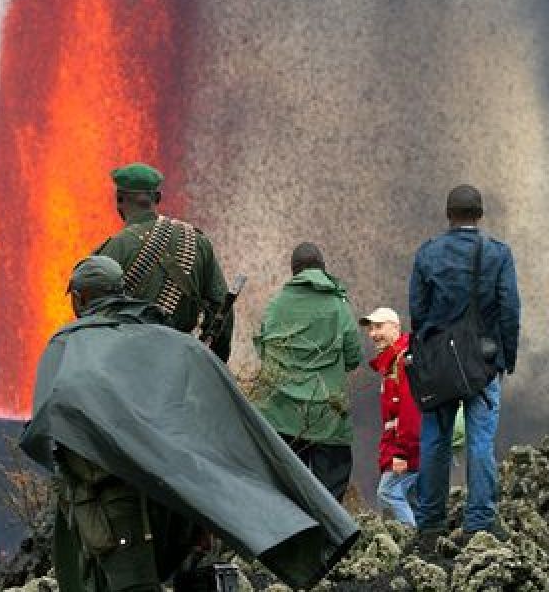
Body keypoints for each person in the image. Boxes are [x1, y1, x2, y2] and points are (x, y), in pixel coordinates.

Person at [22, 256, 360, 591]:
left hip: (112, 503)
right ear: (120, 291)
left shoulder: (67, 346)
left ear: (80, 298)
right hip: (177, 497)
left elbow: (52, 420)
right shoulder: (172, 343)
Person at [408, 184, 520, 544]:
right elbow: (509, 310)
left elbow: (417, 311)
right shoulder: (497, 254)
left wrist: (432, 348)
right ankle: (479, 523)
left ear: (448, 214)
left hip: (439, 364)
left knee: (435, 441)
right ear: (480, 214)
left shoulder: (427, 254)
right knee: (480, 442)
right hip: (483, 364)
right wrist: (507, 358)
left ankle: (429, 525)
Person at [254, 242, 362, 501]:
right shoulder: (338, 305)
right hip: (327, 414)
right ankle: (328, 540)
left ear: (294, 272)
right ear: (323, 270)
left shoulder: (276, 305)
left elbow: (261, 344)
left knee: (291, 492)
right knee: (330, 491)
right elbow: (354, 355)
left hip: (282, 414)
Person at [93, 162, 234, 360]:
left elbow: (91, 318)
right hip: (181, 360)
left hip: (126, 362)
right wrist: (214, 363)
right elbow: (221, 311)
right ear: (157, 198)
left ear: (119, 200)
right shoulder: (197, 242)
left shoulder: (110, 251)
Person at [360, 306, 421, 526]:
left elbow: (410, 411)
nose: (373, 334)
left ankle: (412, 546)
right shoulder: (393, 363)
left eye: (379, 327)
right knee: (414, 501)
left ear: (396, 327)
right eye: (370, 328)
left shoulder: (403, 362)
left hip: (408, 450)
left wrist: (402, 453)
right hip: (411, 448)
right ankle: (424, 546)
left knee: (388, 492)